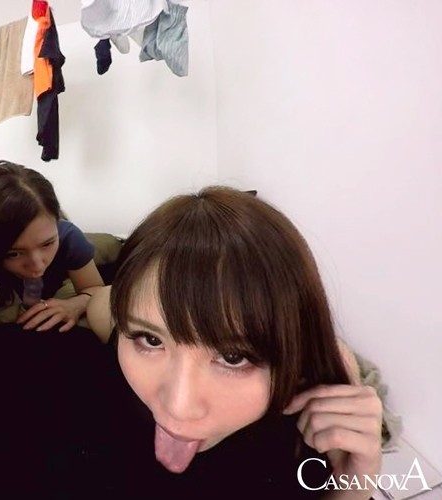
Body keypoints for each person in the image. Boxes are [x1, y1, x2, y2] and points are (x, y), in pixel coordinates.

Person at [86, 187, 383, 498]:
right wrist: (81, 299)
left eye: (232, 357)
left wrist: (355, 484)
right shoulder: (111, 324)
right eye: (151, 339)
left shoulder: (319, 385)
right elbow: (101, 302)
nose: (178, 407)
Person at [0, 161, 104, 332]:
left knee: (108, 247)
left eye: (47, 243)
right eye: (14, 253)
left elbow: (95, 289)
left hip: (68, 264)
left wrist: (75, 305)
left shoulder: (68, 238)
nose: (37, 266)